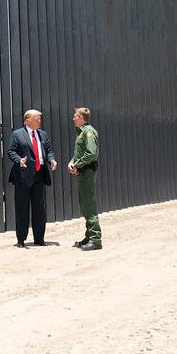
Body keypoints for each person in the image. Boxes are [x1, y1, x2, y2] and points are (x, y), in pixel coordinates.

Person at [7, 110, 57, 248]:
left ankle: (39, 239)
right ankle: (21, 240)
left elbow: (49, 151)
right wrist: (19, 160)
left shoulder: (43, 134)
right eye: (37, 119)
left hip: (40, 173)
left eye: (40, 118)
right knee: (22, 208)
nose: (39, 121)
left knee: (39, 209)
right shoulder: (17, 134)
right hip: (23, 175)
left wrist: (52, 160)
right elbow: (11, 151)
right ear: (28, 120)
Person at [67, 107, 101, 251]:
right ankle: (89, 236)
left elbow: (91, 153)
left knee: (88, 204)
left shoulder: (88, 132)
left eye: (75, 116)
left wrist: (77, 164)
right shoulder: (81, 132)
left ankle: (95, 239)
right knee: (84, 204)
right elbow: (80, 152)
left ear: (81, 117)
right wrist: (72, 162)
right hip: (83, 171)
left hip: (87, 171)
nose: (73, 118)